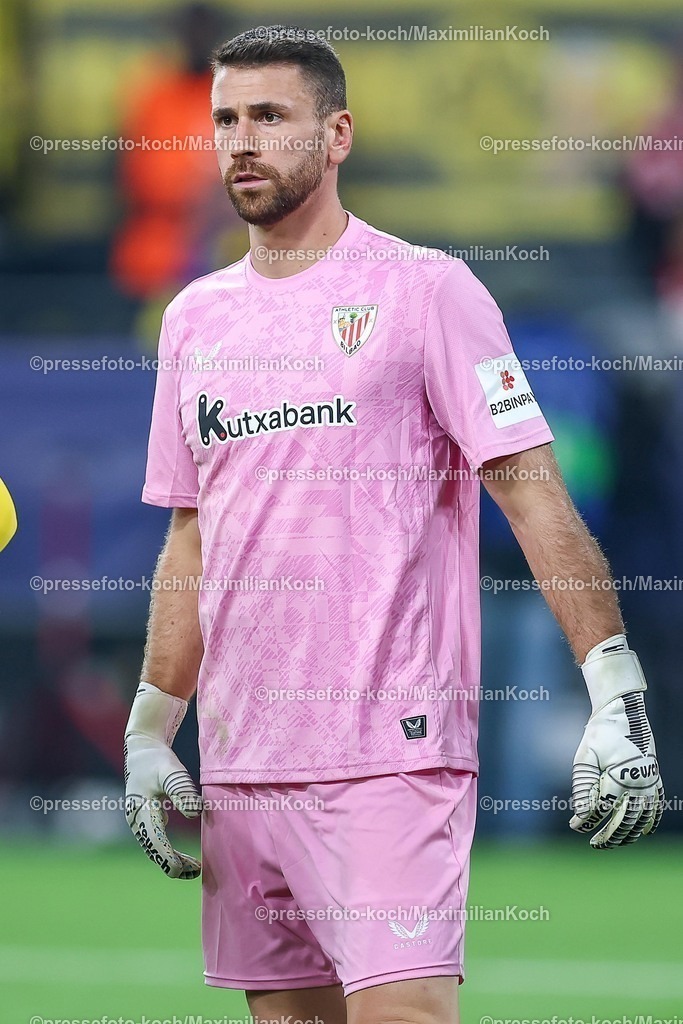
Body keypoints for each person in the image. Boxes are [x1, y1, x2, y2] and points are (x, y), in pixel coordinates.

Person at [123, 26, 664, 1024]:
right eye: (226, 121)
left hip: (390, 748)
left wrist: (612, 686)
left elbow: (531, 491)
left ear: (336, 136)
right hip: (245, 759)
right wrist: (153, 725)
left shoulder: (426, 292)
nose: (242, 142)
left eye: (270, 118)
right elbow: (190, 538)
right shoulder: (194, 320)